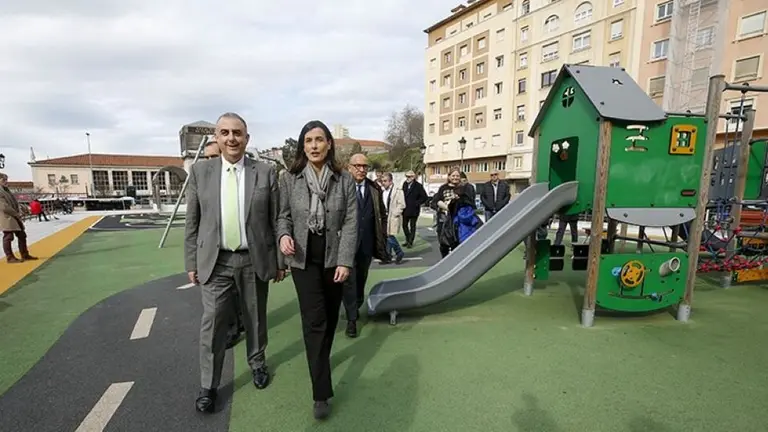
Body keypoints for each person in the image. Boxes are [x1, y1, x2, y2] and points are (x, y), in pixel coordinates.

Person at [184, 112, 284, 414]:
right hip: (215, 262)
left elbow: (277, 218)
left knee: (255, 318)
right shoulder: (201, 172)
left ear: (247, 138)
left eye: (237, 133)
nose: (231, 138)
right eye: (225, 133)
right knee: (213, 323)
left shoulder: (265, 172)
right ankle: (208, 386)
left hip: (254, 259)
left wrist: (280, 261)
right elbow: (192, 221)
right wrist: (191, 260)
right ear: (217, 137)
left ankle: (257, 363)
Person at [277, 120, 357, 420]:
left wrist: (345, 261)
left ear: (329, 144)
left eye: (319, 139)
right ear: (302, 146)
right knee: (314, 322)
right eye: (308, 140)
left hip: (334, 258)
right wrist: (284, 235)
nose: (313, 145)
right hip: (302, 260)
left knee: (330, 318)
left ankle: (319, 361)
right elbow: (282, 216)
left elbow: (350, 222)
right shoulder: (289, 178)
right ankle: (320, 392)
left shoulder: (343, 179)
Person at [344, 153, 389, 338]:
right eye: (357, 166)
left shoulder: (374, 189)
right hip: (346, 244)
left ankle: (356, 303)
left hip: (367, 243)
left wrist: (382, 236)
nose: (361, 169)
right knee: (348, 280)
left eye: (364, 166)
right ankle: (351, 319)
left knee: (361, 278)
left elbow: (382, 214)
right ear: (349, 167)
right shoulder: (341, 187)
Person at [0, 173, 38, 263]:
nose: (6, 182)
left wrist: (20, 209)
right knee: (8, 236)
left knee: (22, 235)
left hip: (14, 216)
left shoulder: (6, 190)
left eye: (6, 180)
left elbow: (13, 202)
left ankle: (25, 254)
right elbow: (4, 206)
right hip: (6, 217)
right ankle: (10, 257)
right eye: (3, 180)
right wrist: (16, 213)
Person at [431, 168, 462, 258]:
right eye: (453, 175)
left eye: (457, 176)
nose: (455, 178)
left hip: (457, 219)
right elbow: (436, 201)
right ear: (449, 177)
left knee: (455, 242)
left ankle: (454, 261)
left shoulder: (463, 188)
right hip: (443, 218)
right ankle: (444, 259)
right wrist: (446, 207)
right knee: (443, 242)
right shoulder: (443, 188)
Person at [380, 172, 405, 264]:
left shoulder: (398, 191)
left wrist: (395, 213)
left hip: (392, 216)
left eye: (385, 181)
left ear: (391, 181)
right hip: (384, 217)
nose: (383, 183)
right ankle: (388, 256)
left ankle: (398, 252)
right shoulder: (383, 191)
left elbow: (402, 204)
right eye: (382, 181)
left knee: (389, 236)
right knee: (386, 236)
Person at [401, 170, 427, 248]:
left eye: (409, 176)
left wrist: (416, 203)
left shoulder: (418, 186)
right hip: (405, 209)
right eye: (407, 176)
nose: (407, 178)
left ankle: (410, 242)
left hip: (414, 210)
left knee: (412, 226)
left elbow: (424, 197)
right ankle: (408, 238)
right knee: (404, 225)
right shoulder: (405, 184)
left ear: (413, 177)